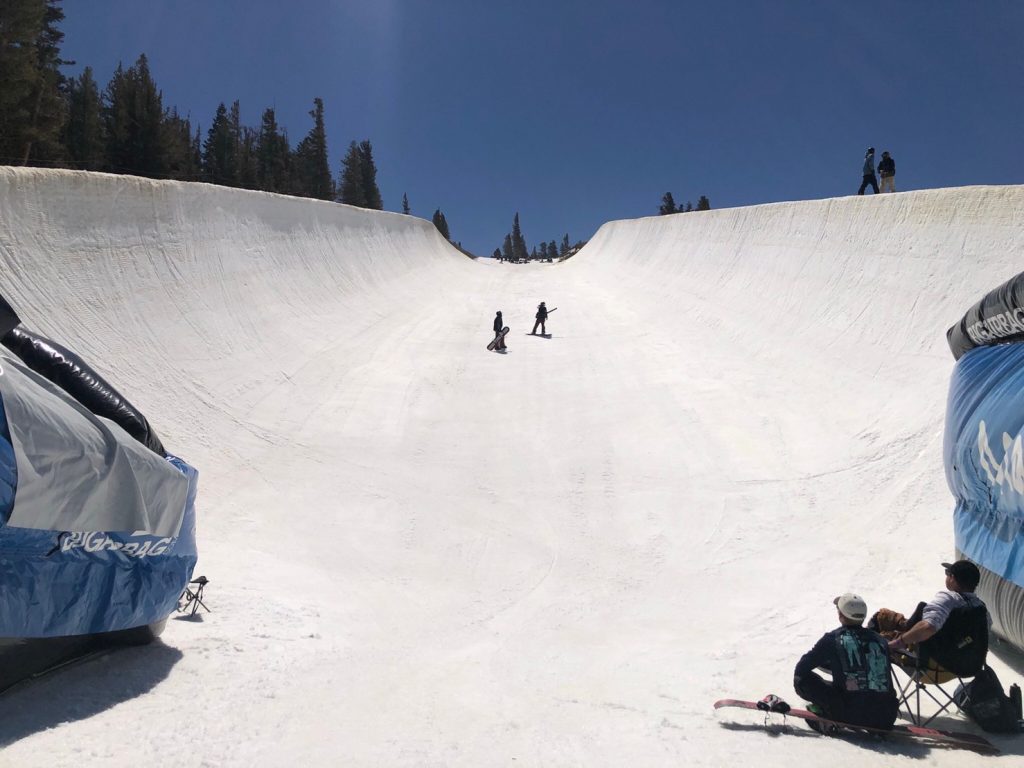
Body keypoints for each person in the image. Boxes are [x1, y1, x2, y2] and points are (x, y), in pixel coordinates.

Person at [793, 593, 898, 731]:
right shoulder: (881, 640)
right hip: (886, 715)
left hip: (850, 713)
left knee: (801, 680)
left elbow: (802, 668)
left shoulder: (832, 639)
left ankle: (827, 715)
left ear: (841, 615)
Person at [869, 560, 989, 654]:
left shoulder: (949, 599)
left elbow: (929, 627)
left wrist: (899, 642)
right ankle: (903, 626)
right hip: (968, 664)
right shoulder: (981, 608)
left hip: (935, 663)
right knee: (920, 609)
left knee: (879, 619)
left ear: (953, 578)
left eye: (948, 573)